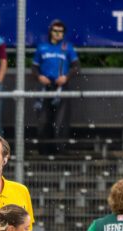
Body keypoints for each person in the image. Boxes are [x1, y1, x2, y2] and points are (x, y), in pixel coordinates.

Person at [33, 20, 79, 155]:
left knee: (61, 120)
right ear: (50, 32)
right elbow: (34, 68)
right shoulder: (42, 47)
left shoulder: (67, 47)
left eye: (61, 32)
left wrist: (66, 78)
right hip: (45, 87)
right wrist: (40, 77)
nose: (58, 34)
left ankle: (60, 151)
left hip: (61, 88)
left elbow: (76, 66)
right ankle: (43, 151)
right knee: (43, 120)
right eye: (55, 31)